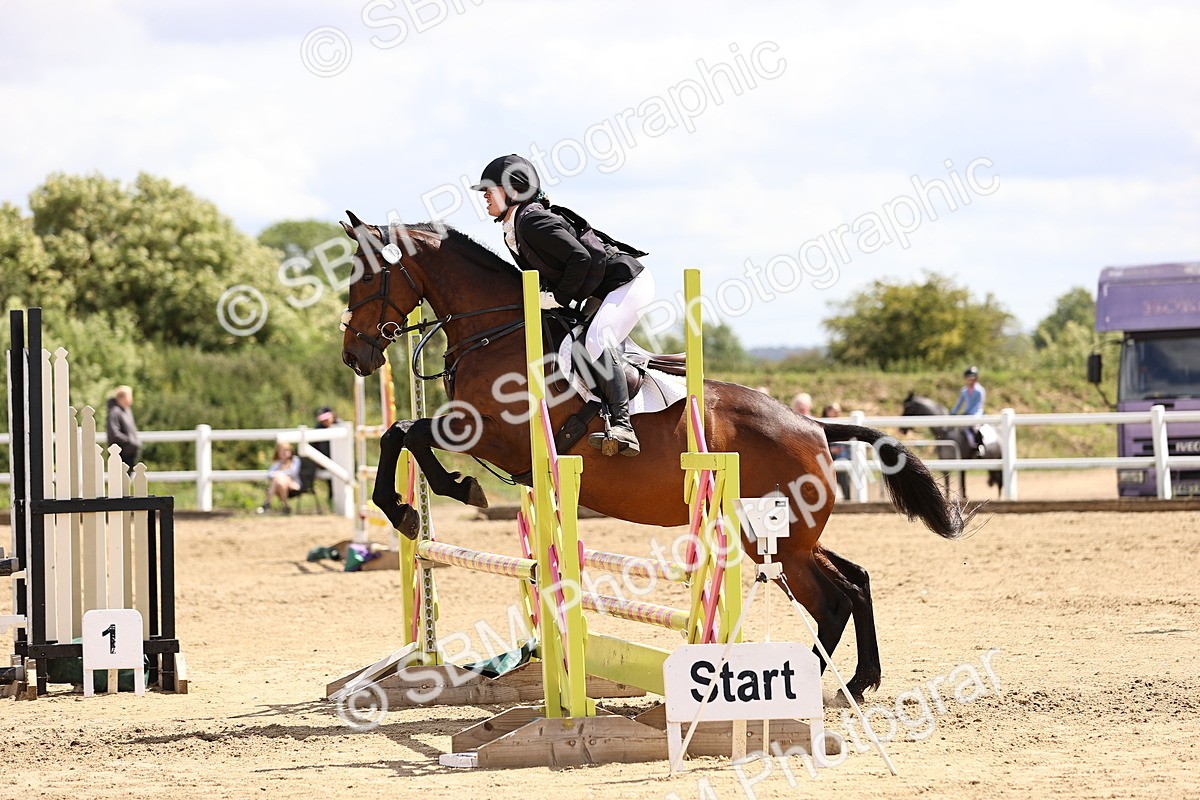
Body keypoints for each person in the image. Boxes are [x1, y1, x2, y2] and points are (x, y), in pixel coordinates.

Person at [471, 154, 654, 457]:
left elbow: (580, 258)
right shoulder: (514, 227)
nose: (485, 198)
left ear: (513, 191)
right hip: (599, 286)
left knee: (596, 341)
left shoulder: (532, 221)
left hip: (626, 283)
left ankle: (623, 425)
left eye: (490, 191)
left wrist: (558, 297)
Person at [950, 365, 987, 456]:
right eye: (968, 378)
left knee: (975, 427)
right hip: (967, 413)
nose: (970, 380)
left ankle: (980, 446)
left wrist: (970, 414)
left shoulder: (980, 390)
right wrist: (953, 413)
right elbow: (959, 404)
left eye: (972, 378)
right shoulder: (964, 391)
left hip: (976, 413)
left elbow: (978, 405)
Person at [105, 385, 141, 470]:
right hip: (121, 454)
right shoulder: (115, 412)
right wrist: (130, 442)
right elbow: (114, 434)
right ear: (123, 397)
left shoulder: (126, 411)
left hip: (129, 454)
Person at [259, 441, 301, 514]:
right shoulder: (277, 463)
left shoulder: (295, 460)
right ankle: (285, 506)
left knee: (279, 477)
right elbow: (269, 473)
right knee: (280, 481)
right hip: (280, 484)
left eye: (287, 450)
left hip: (293, 484)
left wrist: (279, 473)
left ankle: (267, 502)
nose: (285, 453)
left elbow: (293, 472)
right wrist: (279, 474)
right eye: (282, 451)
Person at [822, 403, 852, 500]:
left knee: (843, 473)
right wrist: (830, 450)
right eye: (835, 410)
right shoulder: (822, 424)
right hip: (826, 458)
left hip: (840, 458)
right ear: (828, 411)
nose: (837, 412)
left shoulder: (841, 423)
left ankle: (847, 499)